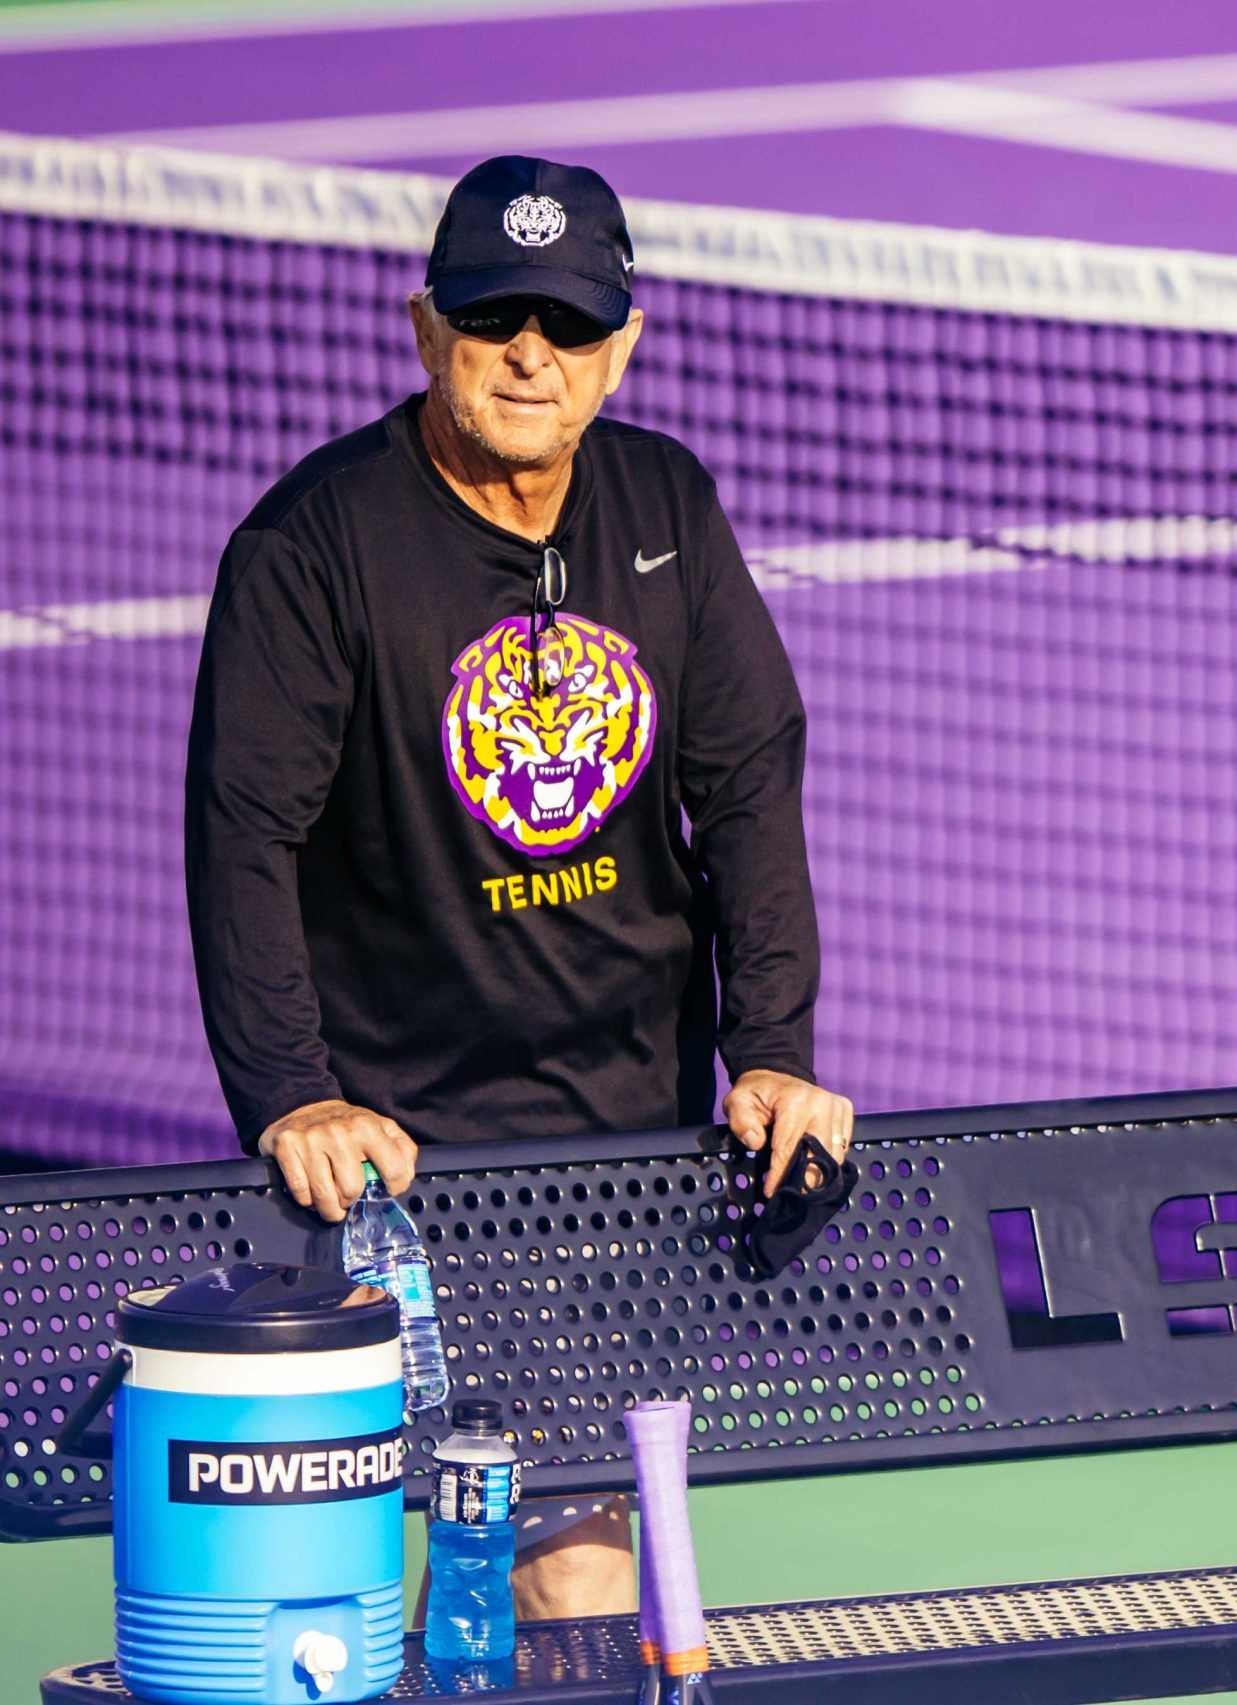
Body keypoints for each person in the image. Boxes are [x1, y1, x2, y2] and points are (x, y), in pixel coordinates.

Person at [184, 155, 854, 1620]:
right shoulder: (314, 547)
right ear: (428, 331)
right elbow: (244, 832)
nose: (530, 355)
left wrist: (777, 1054)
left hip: (626, 1141)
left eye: (565, 323)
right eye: (494, 320)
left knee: (546, 1577)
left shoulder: (666, 498)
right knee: (479, 1580)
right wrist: (295, 1089)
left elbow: (747, 780)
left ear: (623, 346)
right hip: (404, 1161)